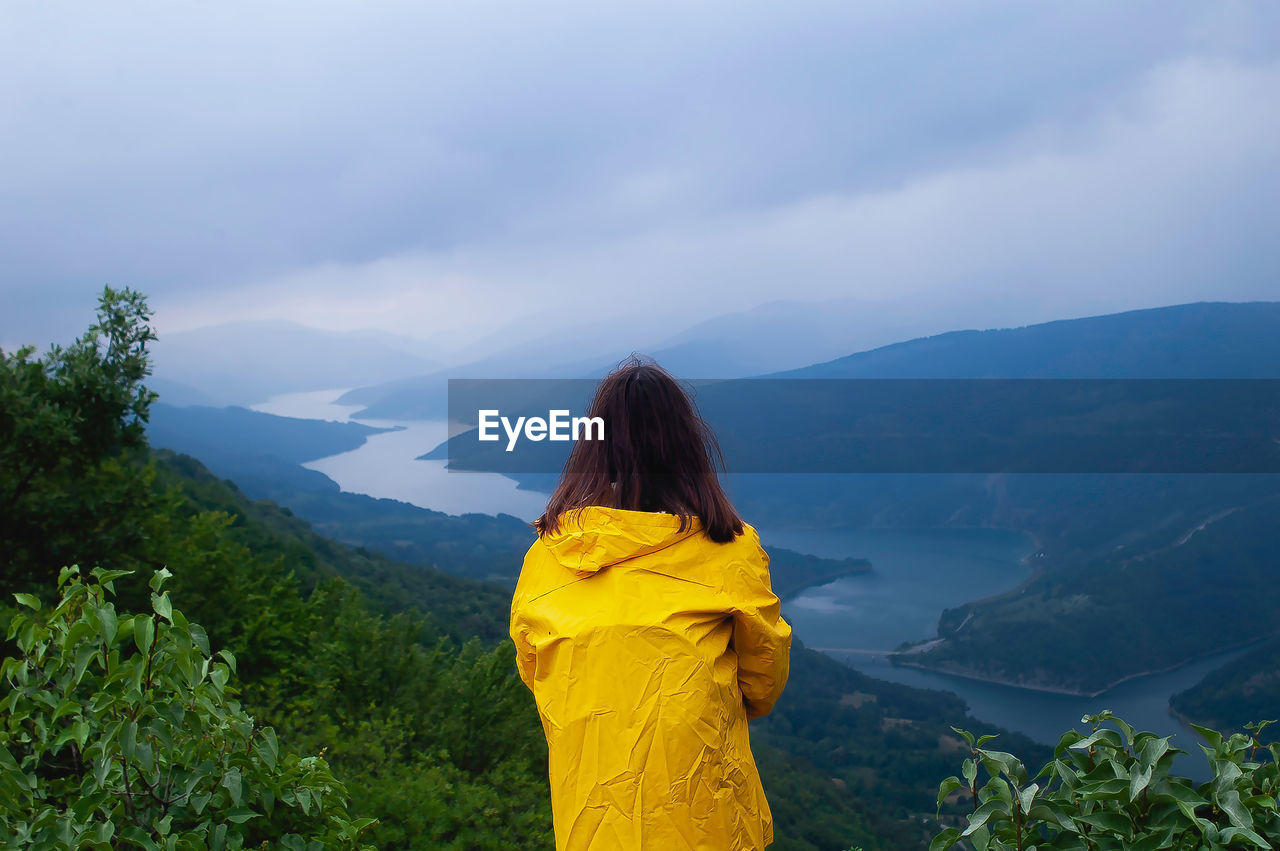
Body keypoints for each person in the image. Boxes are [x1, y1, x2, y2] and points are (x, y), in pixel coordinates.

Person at [509, 357, 792, 851]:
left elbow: (535, 672)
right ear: (687, 444)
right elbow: (763, 680)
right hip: (705, 817)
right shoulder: (730, 550)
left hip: (590, 815)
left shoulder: (548, 555)